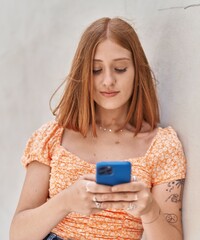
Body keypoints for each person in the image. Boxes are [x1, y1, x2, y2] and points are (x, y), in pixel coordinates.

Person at [10, 17, 186, 240]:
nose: (108, 80)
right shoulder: (52, 137)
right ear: (83, 74)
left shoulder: (162, 146)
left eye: (120, 69)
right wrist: (66, 201)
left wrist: (149, 209)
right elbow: (17, 234)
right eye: (96, 70)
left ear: (137, 71)